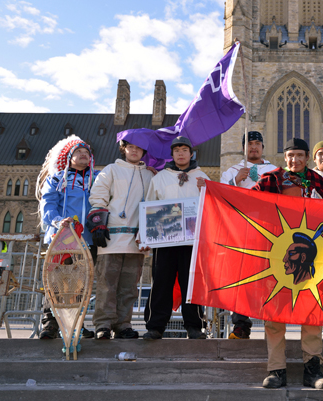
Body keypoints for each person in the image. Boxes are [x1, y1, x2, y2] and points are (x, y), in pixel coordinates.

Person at [252, 137, 323, 390]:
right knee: (274, 314)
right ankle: (276, 370)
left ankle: (312, 369)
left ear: (307, 157)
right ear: (284, 158)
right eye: (290, 156)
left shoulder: (319, 181)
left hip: (312, 256)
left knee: (312, 313)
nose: (294, 160)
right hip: (278, 256)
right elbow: (247, 202)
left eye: (299, 155)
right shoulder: (270, 180)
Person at [142, 136, 208, 340]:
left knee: (191, 282)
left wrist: (205, 189)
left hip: (192, 240)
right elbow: (149, 205)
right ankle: (155, 326)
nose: (181, 153)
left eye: (184, 149)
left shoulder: (202, 176)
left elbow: (210, 206)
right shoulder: (160, 178)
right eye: (177, 150)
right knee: (162, 281)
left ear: (191, 153)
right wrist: (143, 235)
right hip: (165, 239)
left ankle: (194, 325)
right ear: (172, 154)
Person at [87, 140, 154, 340]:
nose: (135, 150)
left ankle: (123, 324)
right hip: (111, 237)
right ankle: (104, 325)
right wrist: (98, 223)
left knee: (129, 287)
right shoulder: (111, 170)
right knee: (107, 285)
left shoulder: (150, 175)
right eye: (130, 147)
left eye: (138, 147)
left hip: (136, 239)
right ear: (124, 149)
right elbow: (98, 195)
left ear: (143, 151)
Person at [37, 136, 99, 340]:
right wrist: (56, 221)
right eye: (78, 153)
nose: (83, 155)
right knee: (55, 281)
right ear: (69, 158)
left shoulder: (97, 179)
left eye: (86, 153)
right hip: (61, 237)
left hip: (87, 239)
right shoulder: (56, 179)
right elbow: (48, 203)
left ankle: (77, 324)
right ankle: (50, 324)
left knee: (82, 284)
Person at [220, 131, 276, 339]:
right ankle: (241, 324)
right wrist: (235, 181)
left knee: (271, 276)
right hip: (242, 232)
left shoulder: (274, 170)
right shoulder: (232, 171)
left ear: (263, 147)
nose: (253, 147)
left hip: (269, 231)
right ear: (244, 147)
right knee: (243, 278)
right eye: (249, 143)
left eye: (257, 143)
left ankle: (273, 324)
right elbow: (221, 196)